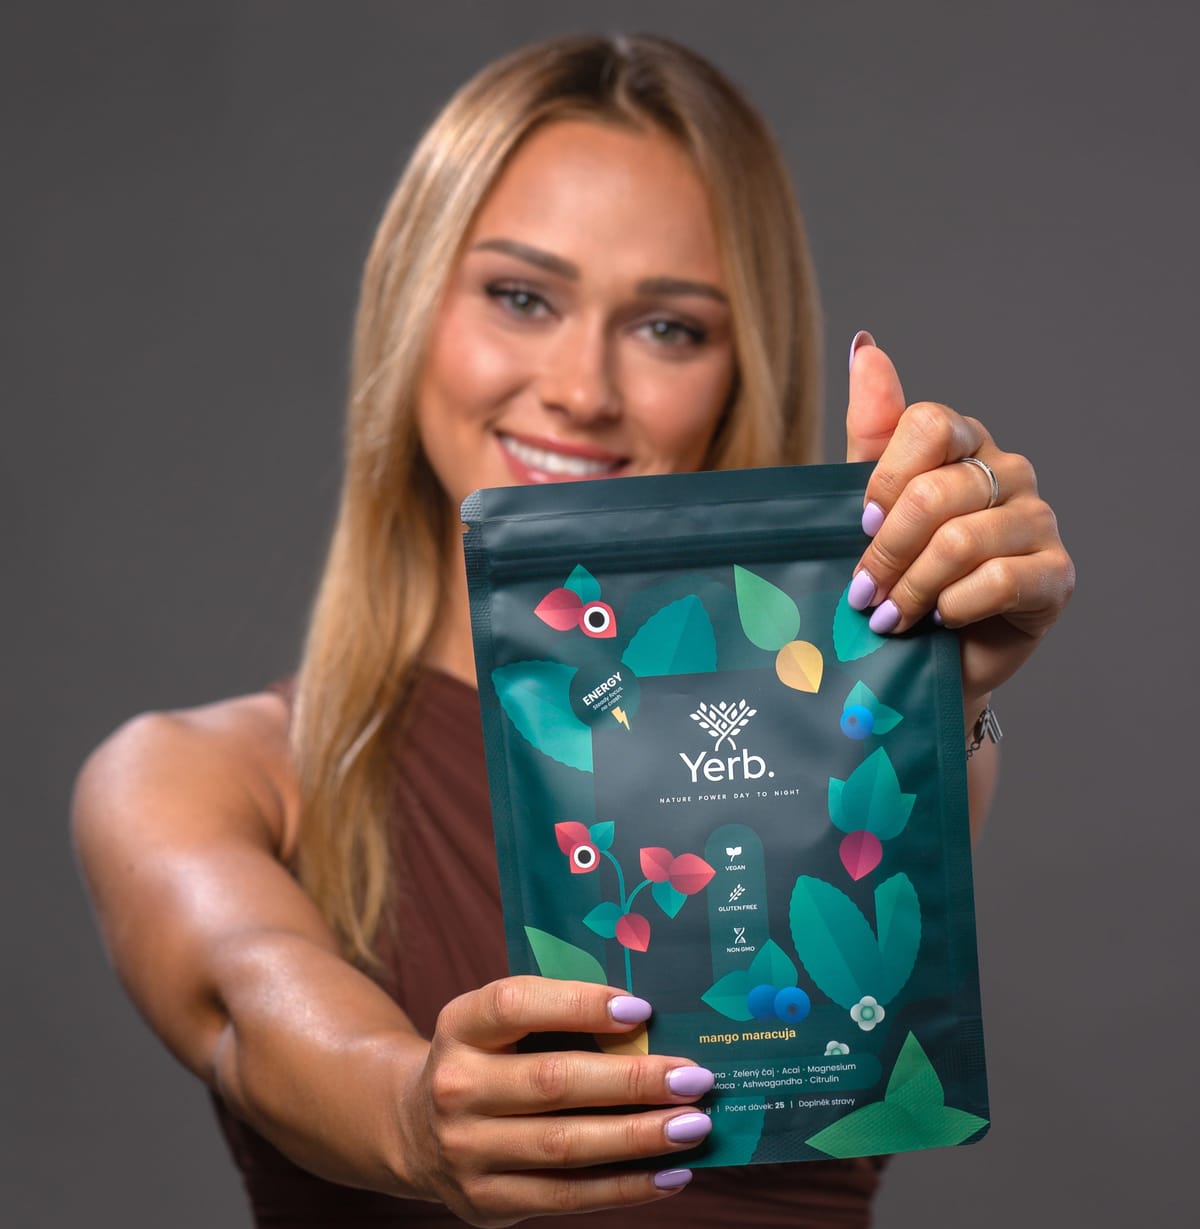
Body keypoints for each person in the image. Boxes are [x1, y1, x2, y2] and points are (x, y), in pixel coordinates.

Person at [72, 32, 1074, 1229]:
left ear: (738, 362)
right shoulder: (192, 777)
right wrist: (411, 1114)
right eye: (521, 297)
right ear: (411, 303)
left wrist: (943, 679)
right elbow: (250, 1006)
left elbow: (924, 775)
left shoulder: (846, 747)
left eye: (669, 327)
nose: (582, 389)